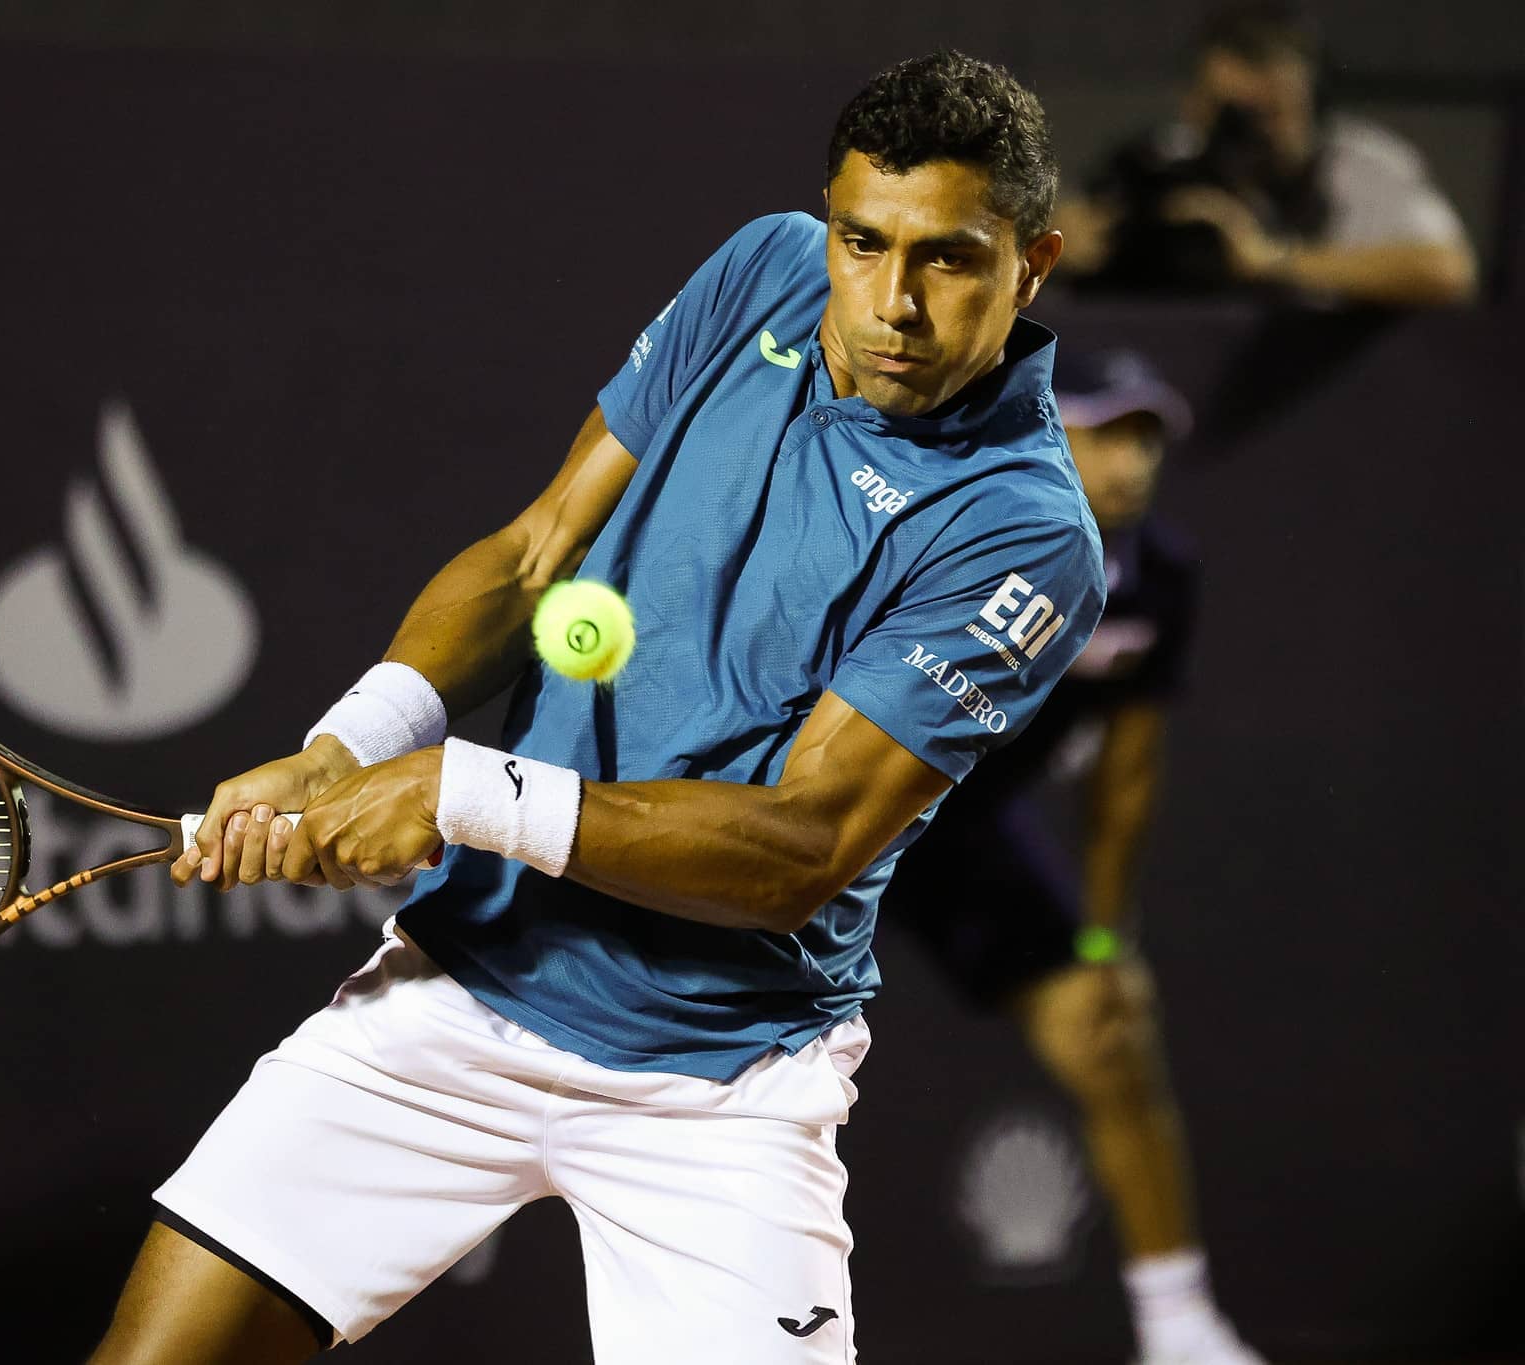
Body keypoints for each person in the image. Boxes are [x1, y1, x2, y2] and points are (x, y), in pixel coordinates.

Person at [91, 51, 1105, 1365]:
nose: (892, 300)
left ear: (1036, 262)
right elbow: (536, 551)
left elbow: (794, 851)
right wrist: (352, 744)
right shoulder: (764, 272)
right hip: (459, 993)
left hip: (719, 1082)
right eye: (865, 242)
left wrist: (457, 792)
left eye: (948, 259)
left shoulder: (1022, 531)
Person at [880, 349, 1264, 1365]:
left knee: (1112, 1030)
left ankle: (1178, 1330)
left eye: (1143, 436)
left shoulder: (1158, 577)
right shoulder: (951, 530)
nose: (1129, 460)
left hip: (960, 835)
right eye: (1103, 431)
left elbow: (1124, 779)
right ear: (1042, 433)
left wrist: (1101, 938)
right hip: (831, 807)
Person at [1054, 1, 1478, 307]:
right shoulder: (1161, 159)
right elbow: (1072, 230)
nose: (1248, 135)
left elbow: (1448, 271)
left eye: (1271, 114)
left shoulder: (1358, 163)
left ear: (1313, 104)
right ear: (1193, 104)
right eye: (1229, 113)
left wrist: (1268, 259)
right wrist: (1061, 238)